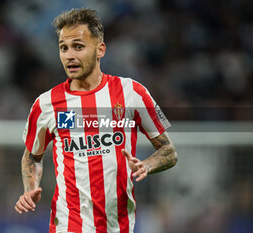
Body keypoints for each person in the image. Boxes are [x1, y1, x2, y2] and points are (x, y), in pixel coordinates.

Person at [15, 8, 177, 233]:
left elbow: (168, 151)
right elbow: (33, 156)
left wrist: (147, 165)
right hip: (68, 226)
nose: (69, 55)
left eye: (78, 46)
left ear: (100, 49)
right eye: (64, 48)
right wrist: (30, 187)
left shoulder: (132, 93)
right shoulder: (46, 104)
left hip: (119, 226)